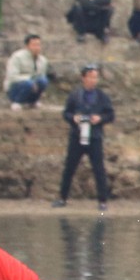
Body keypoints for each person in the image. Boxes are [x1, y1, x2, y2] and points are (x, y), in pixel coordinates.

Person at [58, 65, 114, 207]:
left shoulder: (102, 97)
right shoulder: (75, 95)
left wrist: (100, 118)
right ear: (83, 78)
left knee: (98, 168)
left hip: (94, 136)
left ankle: (102, 200)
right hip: (77, 136)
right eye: (90, 77)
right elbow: (66, 113)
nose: (93, 80)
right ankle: (62, 198)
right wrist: (74, 118)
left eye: (95, 77)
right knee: (69, 167)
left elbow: (110, 115)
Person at [3, 33, 51, 109]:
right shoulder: (17, 57)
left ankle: (33, 101)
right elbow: (12, 77)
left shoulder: (43, 60)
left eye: (38, 45)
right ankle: (17, 102)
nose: (37, 48)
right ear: (27, 46)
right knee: (28, 83)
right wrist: (30, 80)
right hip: (16, 87)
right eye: (34, 45)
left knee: (43, 81)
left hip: (32, 86)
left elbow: (42, 75)